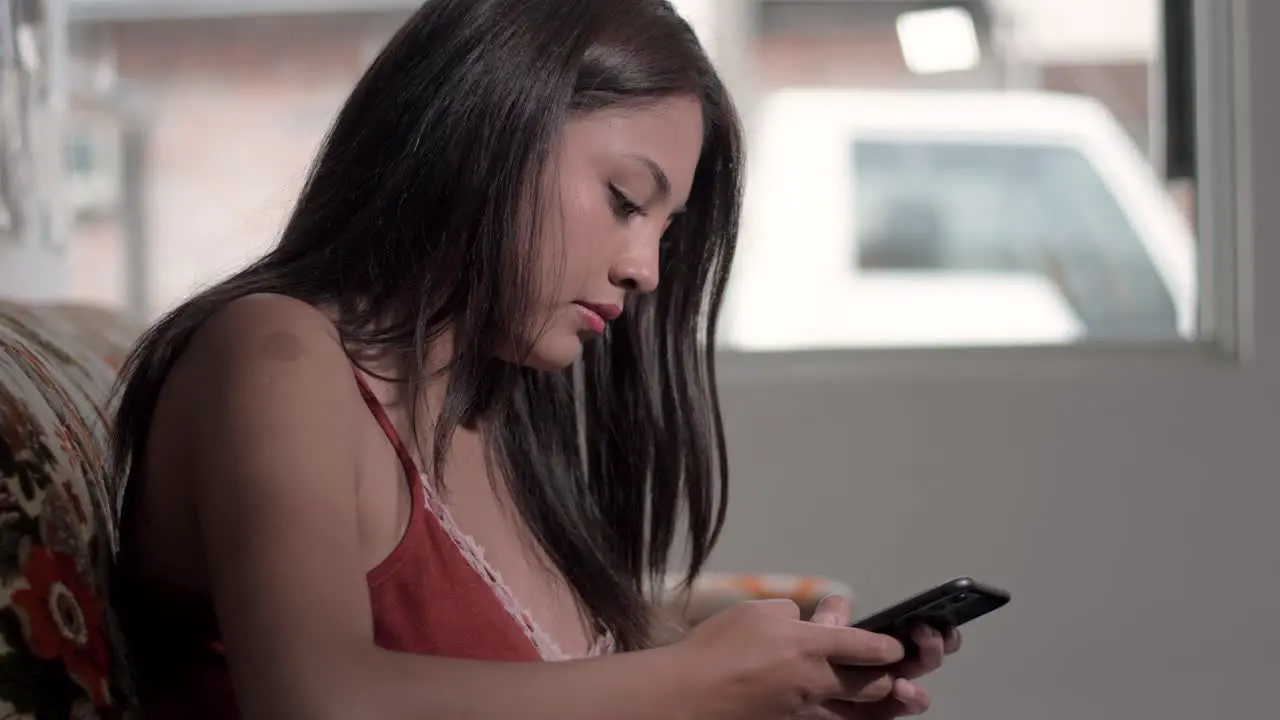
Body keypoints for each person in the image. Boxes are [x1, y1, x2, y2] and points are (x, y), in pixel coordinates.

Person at [109, 1, 960, 718]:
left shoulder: (497, 422)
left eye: (665, 231)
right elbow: (317, 699)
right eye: (626, 201)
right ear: (486, 127)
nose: (648, 270)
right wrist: (698, 677)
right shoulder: (277, 353)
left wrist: (774, 695)